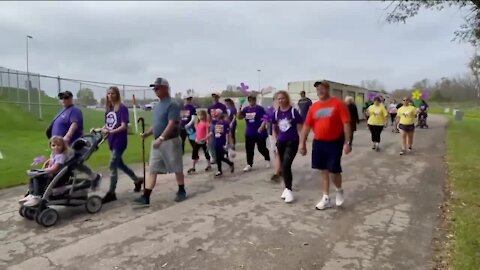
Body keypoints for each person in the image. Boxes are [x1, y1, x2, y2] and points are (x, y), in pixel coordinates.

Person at [299, 80, 351, 210]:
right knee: (323, 171)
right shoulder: (314, 107)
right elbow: (307, 125)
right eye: (317, 89)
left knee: (334, 171)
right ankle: (326, 197)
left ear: (328, 89)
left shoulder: (338, 104)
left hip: (335, 142)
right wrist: (302, 143)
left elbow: (346, 123)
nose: (320, 91)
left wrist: (347, 142)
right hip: (319, 142)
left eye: (322, 88)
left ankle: (339, 190)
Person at [134, 77, 186, 206]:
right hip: (158, 142)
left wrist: (162, 138)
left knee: (176, 167)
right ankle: (146, 196)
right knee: (153, 168)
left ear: (165, 88)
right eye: (154, 88)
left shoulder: (172, 104)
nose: (155, 90)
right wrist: (147, 133)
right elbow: (156, 124)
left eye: (157, 87)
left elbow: (172, 123)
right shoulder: (157, 106)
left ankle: (181, 190)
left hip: (170, 141)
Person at [99, 86, 144, 204]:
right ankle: (137, 180)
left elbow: (124, 126)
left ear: (117, 94)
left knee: (112, 165)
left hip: (120, 140)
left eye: (112, 93)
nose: (110, 96)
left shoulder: (122, 108)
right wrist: (100, 129)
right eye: (108, 94)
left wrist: (111, 131)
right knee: (120, 164)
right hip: (111, 140)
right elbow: (108, 125)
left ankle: (111, 193)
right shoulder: (109, 109)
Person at [48, 91, 101, 188]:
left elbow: (74, 124)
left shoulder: (74, 110)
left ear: (71, 98)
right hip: (58, 145)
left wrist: (67, 137)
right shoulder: (63, 110)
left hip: (69, 144)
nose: (64, 100)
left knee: (65, 164)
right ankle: (93, 176)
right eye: (62, 98)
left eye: (66, 98)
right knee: (73, 163)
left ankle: (56, 186)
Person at [271, 91, 303, 203]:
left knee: (286, 164)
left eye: (283, 98)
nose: (281, 100)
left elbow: (300, 129)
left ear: (287, 99)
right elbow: (274, 128)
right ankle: (286, 187)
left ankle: (289, 190)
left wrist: (302, 143)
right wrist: (275, 139)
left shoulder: (294, 112)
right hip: (281, 142)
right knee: (284, 166)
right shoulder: (276, 113)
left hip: (292, 142)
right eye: (278, 99)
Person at [20, 136, 70, 207]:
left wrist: (44, 170)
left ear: (63, 146)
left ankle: (37, 196)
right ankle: (32, 194)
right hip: (51, 173)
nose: (56, 147)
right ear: (50, 146)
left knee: (38, 178)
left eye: (58, 145)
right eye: (53, 145)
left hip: (56, 175)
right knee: (33, 178)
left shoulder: (61, 156)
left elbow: (55, 168)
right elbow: (51, 161)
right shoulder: (54, 154)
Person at [237, 95, 271, 172]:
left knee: (261, 148)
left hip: (260, 132)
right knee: (249, 149)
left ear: (255, 100)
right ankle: (249, 164)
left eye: (252, 100)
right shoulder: (246, 109)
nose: (251, 101)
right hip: (249, 132)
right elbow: (239, 117)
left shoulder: (260, 108)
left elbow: (266, 118)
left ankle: (267, 159)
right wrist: (239, 108)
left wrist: (262, 127)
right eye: (249, 100)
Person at [259, 95, 282, 182]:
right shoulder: (270, 110)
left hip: (282, 134)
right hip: (272, 134)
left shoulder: (284, 109)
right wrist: (261, 127)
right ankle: (279, 168)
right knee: (275, 151)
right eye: (277, 100)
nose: (278, 101)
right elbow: (265, 119)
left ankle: (278, 171)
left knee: (279, 151)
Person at [211, 112, 235, 177]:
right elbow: (213, 133)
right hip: (217, 142)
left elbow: (227, 134)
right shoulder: (217, 124)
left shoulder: (225, 124)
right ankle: (221, 169)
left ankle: (227, 165)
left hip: (222, 143)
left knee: (220, 157)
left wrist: (227, 143)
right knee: (219, 158)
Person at [207, 93, 228, 163]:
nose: (214, 98)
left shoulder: (222, 106)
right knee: (211, 142)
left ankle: (223, 153)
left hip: (220, 125)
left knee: (220, 141)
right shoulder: (210, 107)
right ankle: (214, 157)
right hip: (212, 125)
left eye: (216, 97)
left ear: (218, 98)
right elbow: (209, 117)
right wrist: (208, 125)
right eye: (213, 97)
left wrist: (226, 124)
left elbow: (225, 116)